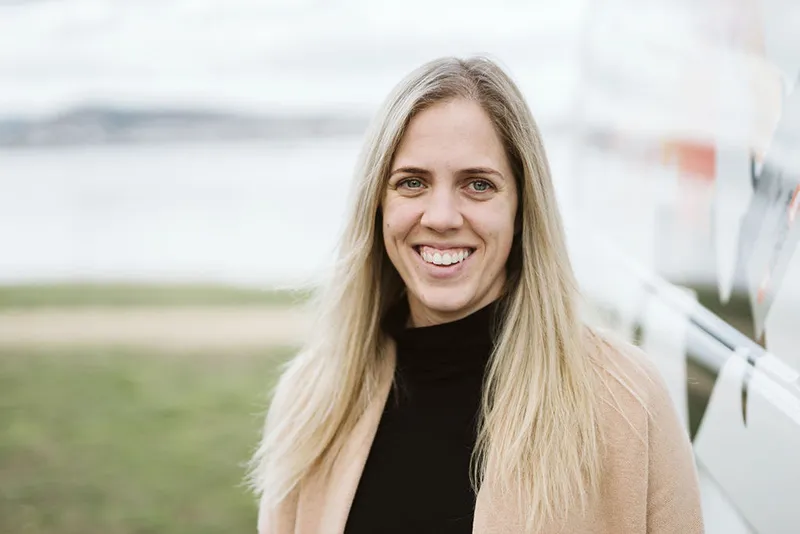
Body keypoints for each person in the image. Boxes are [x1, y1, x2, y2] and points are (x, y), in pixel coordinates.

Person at [249, 56, 704, 533]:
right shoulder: (313, 398)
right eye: (412, 183)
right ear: (377, 204)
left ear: (522, 208)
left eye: (478, 184)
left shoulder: (624, 400)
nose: (441, 216)